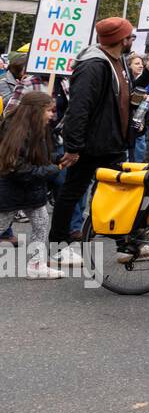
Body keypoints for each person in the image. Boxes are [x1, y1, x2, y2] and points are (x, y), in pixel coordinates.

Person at [47, 17, 137, 268]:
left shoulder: (117, 61)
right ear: (122, 39)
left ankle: (126, 243)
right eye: (131, 36)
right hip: (91, 144)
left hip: (110, 141)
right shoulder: (94, 64)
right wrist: (73, 147)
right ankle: (57, 247)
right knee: (71, 194)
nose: (133, 40)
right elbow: (79, 108)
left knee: (120, 192)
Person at [0, 92, 65, 277]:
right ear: (36, 111)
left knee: (41, 222)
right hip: (11, 191)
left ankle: (36, 266)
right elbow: (18, 169)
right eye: (48, 110)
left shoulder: (37, 129)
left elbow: (37, 160)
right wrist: (53, 169)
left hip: (30, 190)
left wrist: (59, 158)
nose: (52, 114)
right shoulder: (14, 132)